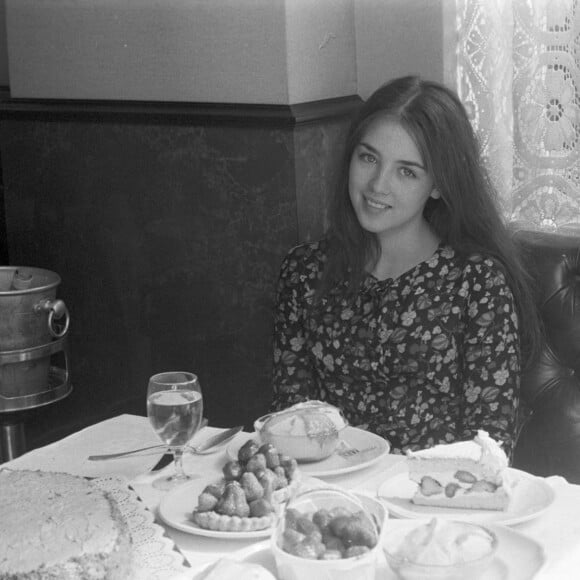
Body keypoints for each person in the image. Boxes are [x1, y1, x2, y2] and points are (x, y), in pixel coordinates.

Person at [269, 75, 542, 459]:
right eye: (368, 157)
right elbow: (291, 423)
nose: (377, 184)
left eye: (407, 171)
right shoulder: (303, 272)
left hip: (434, 501)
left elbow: (488, 445)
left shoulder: (477, 282)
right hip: (330, 501)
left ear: (437, 185)